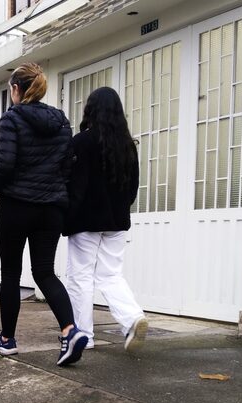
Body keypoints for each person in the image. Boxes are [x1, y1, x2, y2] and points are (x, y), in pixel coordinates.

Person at [0, 62, 87, 367]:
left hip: (16, 206)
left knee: (11, 273)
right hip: (51, 209)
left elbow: (5, 163)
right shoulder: (61, 122)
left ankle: (7, 340)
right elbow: (67, 167)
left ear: (16, 89)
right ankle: (70, 331)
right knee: (44, 272)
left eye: (9, 89)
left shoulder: (12, 118)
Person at [64, 86, 148, 352]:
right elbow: (132, 188)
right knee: (111, 275)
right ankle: (132, 317)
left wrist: (65, 220)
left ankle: (84, 336)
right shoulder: (128, 147)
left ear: (91, 109)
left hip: (86, 223)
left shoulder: (81, 143)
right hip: (116, 222)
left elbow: (75, 188)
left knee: (80, 278)